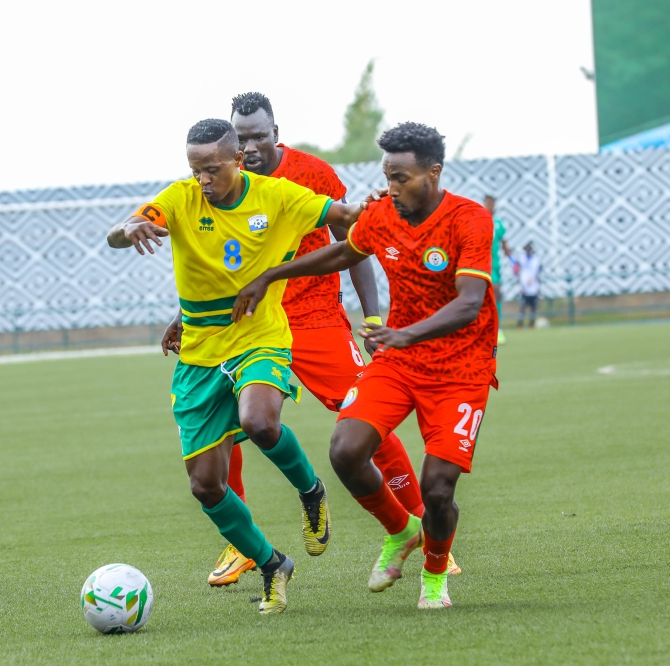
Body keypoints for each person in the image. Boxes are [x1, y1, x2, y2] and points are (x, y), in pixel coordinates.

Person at [160, 91, 431, 587]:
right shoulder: (209, 188)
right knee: (228, 429)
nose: (252, 145)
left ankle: (419, 525)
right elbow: (211, 263)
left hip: (313, 317)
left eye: (259, 136)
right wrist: (185, 315)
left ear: (275, 134)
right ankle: (242, 546)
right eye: (242, 138)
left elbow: (355, 243)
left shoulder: (307, 176)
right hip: (241, 323)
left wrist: (372, 318)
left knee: (366, 417)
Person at [232, 122, 498, 609]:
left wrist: (404, 332)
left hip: (461, 369)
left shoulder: (470, 219)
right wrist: (272, 274)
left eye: (403, 178)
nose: (392, 187)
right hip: (399, 362)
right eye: (388, 176)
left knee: (438, 488)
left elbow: (471, 302)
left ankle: (435, 576)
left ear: (433, 173)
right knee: (346, 449)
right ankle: (400, 530)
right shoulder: (382, 212)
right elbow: (343, 251)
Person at [107, 118, 366, 614]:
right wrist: (130, 227)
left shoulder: (278, 196)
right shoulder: (181, 198)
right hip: (200, 356)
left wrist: (368, 210)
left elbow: (343, 216)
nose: (202, 179)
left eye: (210, 169)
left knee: (259, 421)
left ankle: (310, 490)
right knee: (205, 485)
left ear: (237, 160)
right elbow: (121, 232)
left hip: (260, 337)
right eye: (195, 169)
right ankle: (271, 564)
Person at [483, 195, 511, 344]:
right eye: (488, 203)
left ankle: (497, 329)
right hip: (480, 264)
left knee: (496, 295)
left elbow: (505, 246)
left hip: (495, 266)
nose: (490, 206)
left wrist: (514, 262)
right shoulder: (478, 220)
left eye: (492, 203)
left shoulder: (499, 223)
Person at [515, 242, 541, 328]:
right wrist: (520, 285)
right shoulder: (521, 258)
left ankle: (531, 324)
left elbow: (537, 272)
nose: (528, 250)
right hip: (524, 286)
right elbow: (517, 272)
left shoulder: (536, 259)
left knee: (533, 306)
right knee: (523, 306)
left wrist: (536, 284)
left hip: (533, 286)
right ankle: (520, 324)